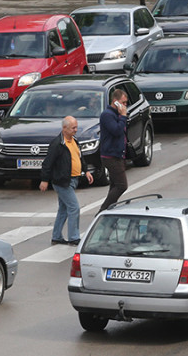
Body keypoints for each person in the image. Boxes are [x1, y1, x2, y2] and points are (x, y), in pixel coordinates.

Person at [40, 116, 93, 245]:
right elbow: (48, 163)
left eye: (76, 127)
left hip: (73, 180)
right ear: (64, 128)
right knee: (74, 207)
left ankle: (56, 236)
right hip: (62, 182)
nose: (76, 130)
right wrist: (44, 180)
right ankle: (74, 237)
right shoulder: (57, 144)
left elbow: (80, 157)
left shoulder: (74, 141)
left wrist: (86, 171)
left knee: (63, 209)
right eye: (73, 128)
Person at [98, 89, 128, 214]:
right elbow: (116, 130)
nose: (125, 106)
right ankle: (103, 211)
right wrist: (123, 117)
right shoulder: (107, 115)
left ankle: (110, 210)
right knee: (122, 185)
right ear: (115, 102)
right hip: (110, 156)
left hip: (118, 154)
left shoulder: (117, 114)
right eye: (123, 103)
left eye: (126, 103)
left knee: (114, 185)